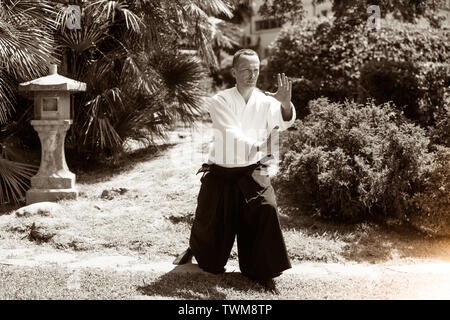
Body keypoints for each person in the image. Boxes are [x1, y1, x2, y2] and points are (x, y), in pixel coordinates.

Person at [174, 49, 296, 293]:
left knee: (266, 209)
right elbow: (229, 131)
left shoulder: (266, 101)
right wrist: (258, 145)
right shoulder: (220, 100)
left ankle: (261, 270)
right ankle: (197, 250)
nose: (252, 75)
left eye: (256, 70)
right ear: (233, 72)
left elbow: (285, 121)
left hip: (253, 171)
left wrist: (284, 104)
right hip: (221, 172)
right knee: (211, 257)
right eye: (246, 70)